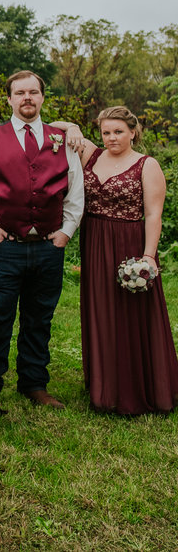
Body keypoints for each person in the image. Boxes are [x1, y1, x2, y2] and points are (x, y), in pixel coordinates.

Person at [57, 107, 178, 414]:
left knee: (132, 313)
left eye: (118, 132)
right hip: (95, 242)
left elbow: (153, 214)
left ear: (133, 132)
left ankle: (138, 386)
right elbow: (49, 125)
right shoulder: (92, 155)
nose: (111, 138)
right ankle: (105, 385)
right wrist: (73, 127)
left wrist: (149, 256)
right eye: (106, 132)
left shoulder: (146, 165)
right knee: (100, 310)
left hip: (129, 244)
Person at [0, 70, 83, 408]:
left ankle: (34, 383)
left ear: (42, 97)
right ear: (9, 99)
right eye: (20, 93)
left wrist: (66, 232)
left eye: (33, 92)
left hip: (48, 248)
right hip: (4, 247)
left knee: (40, 318)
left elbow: (75, 190)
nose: (27, 98)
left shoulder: (61, 138)